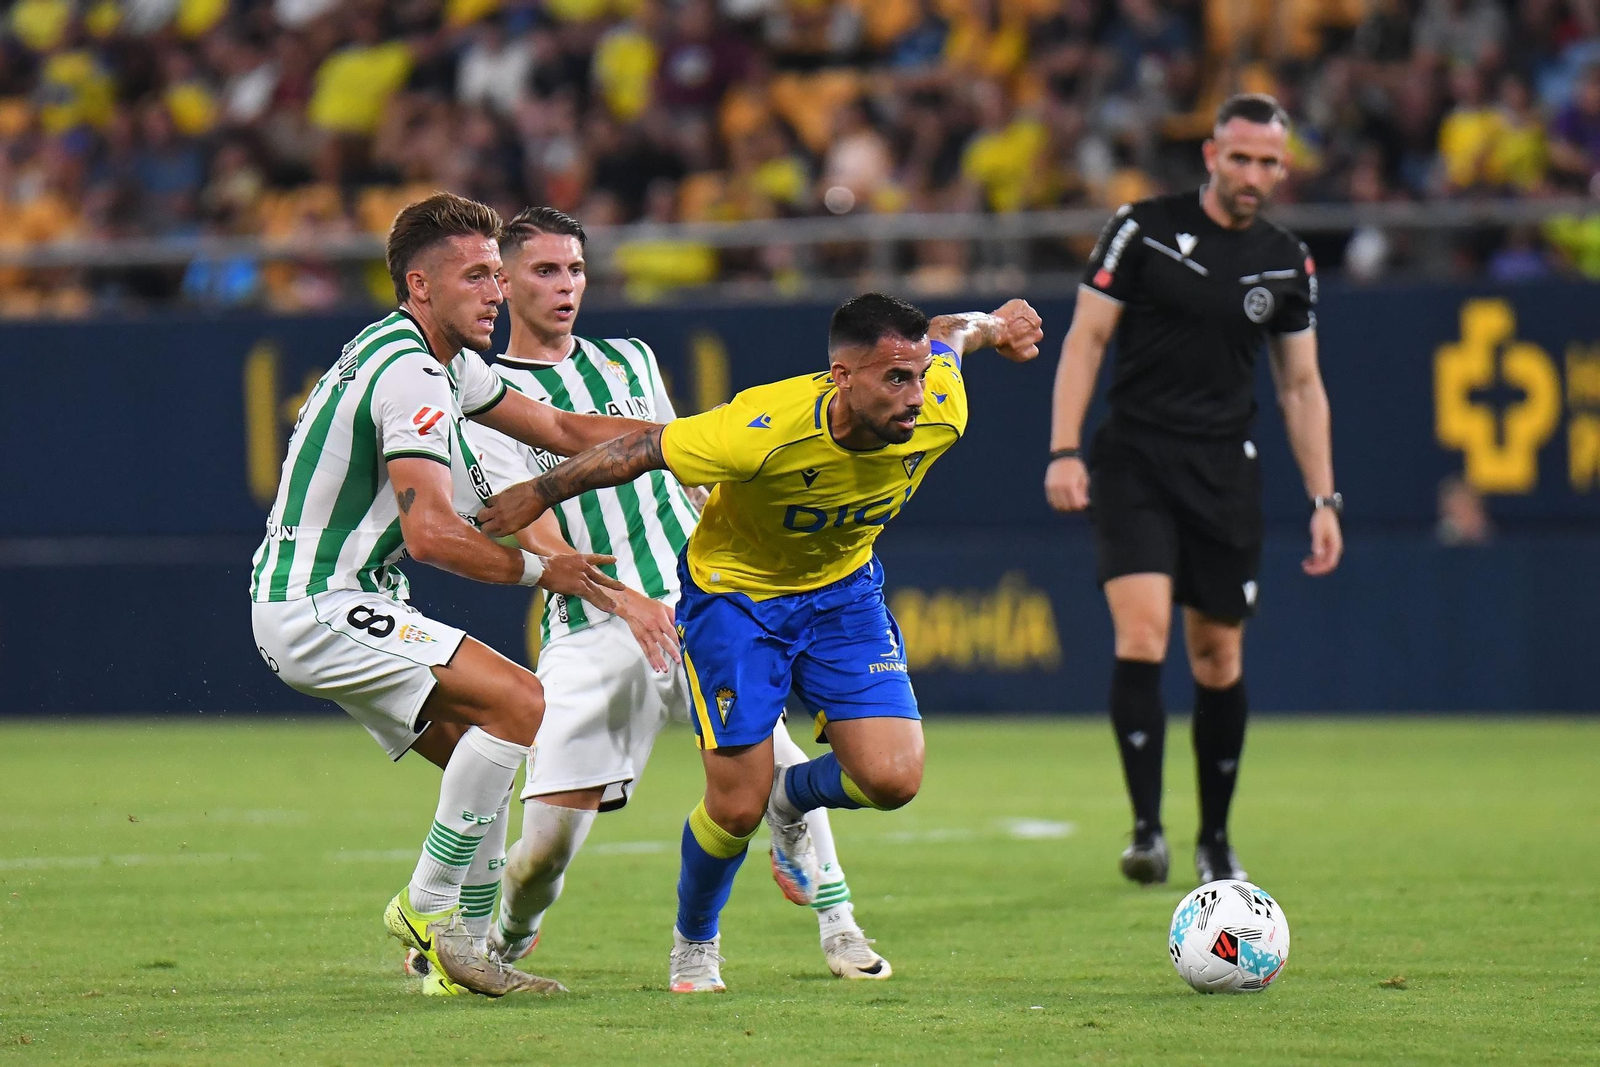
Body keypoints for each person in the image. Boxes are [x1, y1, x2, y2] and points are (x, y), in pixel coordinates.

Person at [478, 291, 1043, 992]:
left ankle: (792, 798)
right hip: (737, 603)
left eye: (920, 376)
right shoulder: (760, 427)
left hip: (843, 596)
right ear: (841, 375)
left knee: (894, 778)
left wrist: (997, 324)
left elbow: (948, 331)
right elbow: (642, 448)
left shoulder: (941, 408)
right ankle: (695, 940)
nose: (916, 395)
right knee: (734, 806)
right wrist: (538, 493)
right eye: (896, 379)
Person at [405, 206, 893, 990]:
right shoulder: (480, 398)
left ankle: (840, 926)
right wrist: (627, 601)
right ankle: (506, 932)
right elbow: (540, 533)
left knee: (778, 762)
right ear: (504, 279)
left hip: (698, 604)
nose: (566, 287)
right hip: (593, 627)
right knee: (543, 854)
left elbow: (685, 463)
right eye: (544, 271)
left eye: (576, 270)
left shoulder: (631, 356)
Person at [248, 192, 654, 996]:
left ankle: (462, 954)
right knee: (522, 701)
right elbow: (431, 533)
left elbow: (565, 431)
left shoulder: (440, 360)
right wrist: (549, 570)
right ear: (421, 286)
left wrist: (683, 442)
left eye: (497, 277)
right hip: (317, 598)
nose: (496, 293)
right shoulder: (409, 372)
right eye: (476, 276)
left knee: (485, 744)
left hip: (337, 596)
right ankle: (429, 911)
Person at [1044, 94, 1343, 887]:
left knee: (1217, 654)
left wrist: (1324, 500)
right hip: (1135, 459)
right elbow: (1086, 339)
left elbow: (1302, 387)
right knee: (1142, 634)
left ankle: (1215, 836)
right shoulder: (1141, 226)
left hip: (1224, 471)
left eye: (1269, 161)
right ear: (1211, 154)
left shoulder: (1287, 260)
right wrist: (1065, 449)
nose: (1254, 173)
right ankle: (1146, 828)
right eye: (1240, 157)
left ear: (1284, 167)